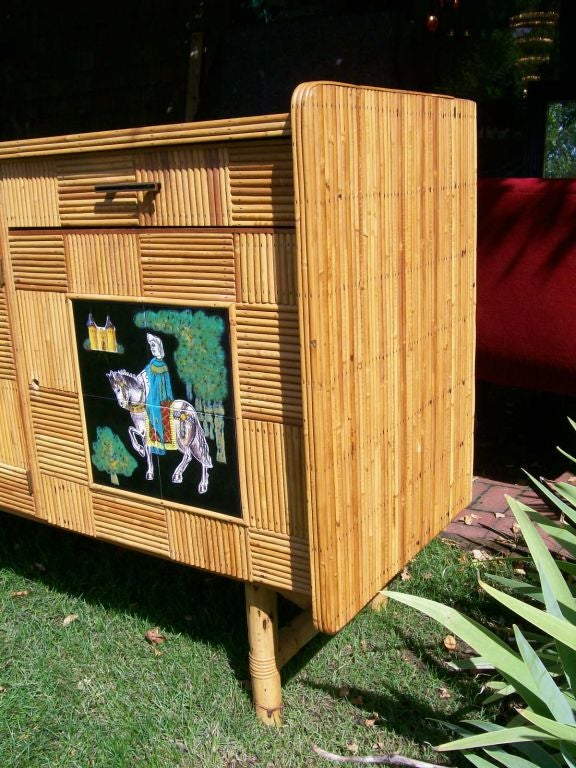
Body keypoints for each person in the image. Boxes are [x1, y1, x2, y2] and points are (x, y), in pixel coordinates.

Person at [141, 333, 174, 454]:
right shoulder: (152, 362)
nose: (152, 349)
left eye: (154, 346)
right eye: (151, 347)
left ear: (159, 347)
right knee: (148, 406)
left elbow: (166, 384)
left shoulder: (163, 365)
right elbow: (145, 374)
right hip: (151, 395)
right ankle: (153, 442)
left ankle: (160, 443)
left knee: (155, 408)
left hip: (160, 396)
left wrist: (167, 397)